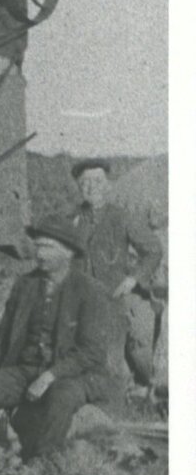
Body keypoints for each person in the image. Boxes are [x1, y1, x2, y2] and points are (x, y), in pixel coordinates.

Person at [0, 215, 123, 459]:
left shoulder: (90, 291)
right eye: (38, 246)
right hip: (26, 368)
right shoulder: (26, 284)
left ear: (67, 252)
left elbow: (91, 352)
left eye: (48, 247)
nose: (40, 253)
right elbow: (3, 339)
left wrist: (49, 376)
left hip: (73, 374)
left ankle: (43, 463)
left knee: (61, 397)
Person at [70, 157, 163, 387]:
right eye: (85, 182)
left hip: (111, 300)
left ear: (108, 185)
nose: (91, 187)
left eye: (98, 181)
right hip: (75, 301)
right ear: (78, 186)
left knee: (111, 365)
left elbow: (153, 249)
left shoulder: (121, 217)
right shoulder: (70, 218)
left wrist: (133, 279)